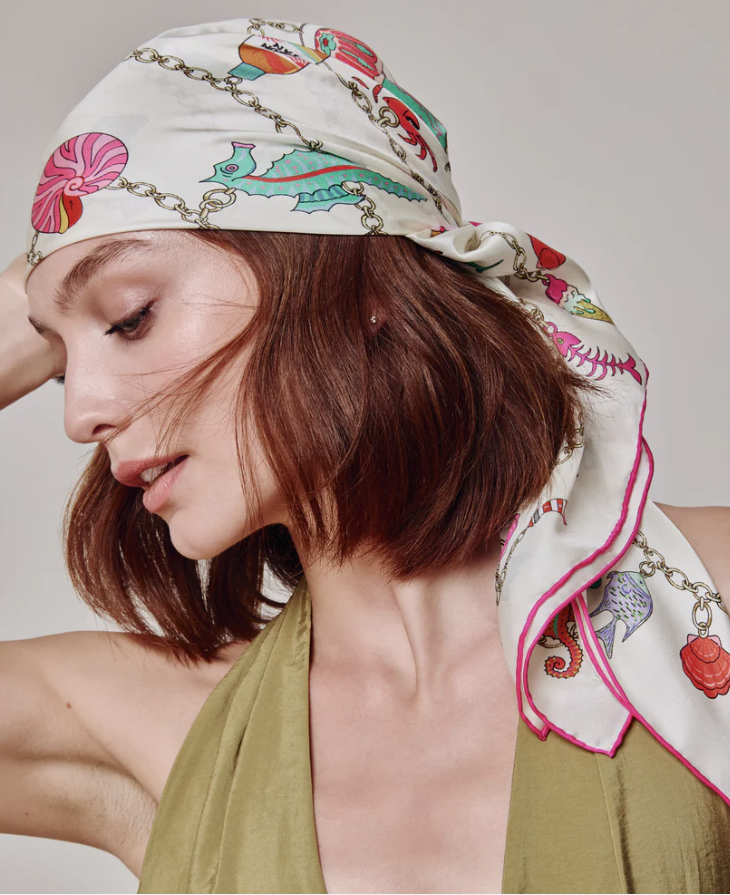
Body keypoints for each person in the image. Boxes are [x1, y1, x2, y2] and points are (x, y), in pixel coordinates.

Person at [2, 17, 730, 894]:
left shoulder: (704, 607)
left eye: (129, 318)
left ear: (362, 286)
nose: (82, 411)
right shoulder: (156, 728)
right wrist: (51, 275)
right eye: (58, 367)